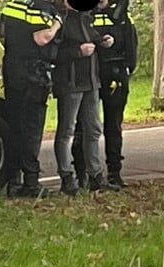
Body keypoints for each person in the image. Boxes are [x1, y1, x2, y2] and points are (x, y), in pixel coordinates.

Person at [0, 0, 61, 198]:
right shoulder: (40, 8)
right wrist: (58, 22)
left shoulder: (11, 7)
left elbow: (1, 35)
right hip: (33, 75)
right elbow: (42, 37)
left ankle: (13, 181)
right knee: (32, 129)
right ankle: (31, 182)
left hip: (12, 72)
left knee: (15, 126)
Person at [85, 0, 137, 190]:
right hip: (89, 76)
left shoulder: (122, 15)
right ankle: (85, 174)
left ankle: (114, 173)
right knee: (85, 126)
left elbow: (131, 47)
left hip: (115, 75)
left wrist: (126, 72)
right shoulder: (84, 15)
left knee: (113, 125)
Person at [51, 0, 100, 195]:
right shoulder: (59, 19)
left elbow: (93, 39)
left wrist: (102, 39)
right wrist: (77, 52)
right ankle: (66, 176)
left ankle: (95, 174)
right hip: (70, 83)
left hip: (90, 81)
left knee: (94, 128)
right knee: (67, 131)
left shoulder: (85, 18)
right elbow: (53, 53)